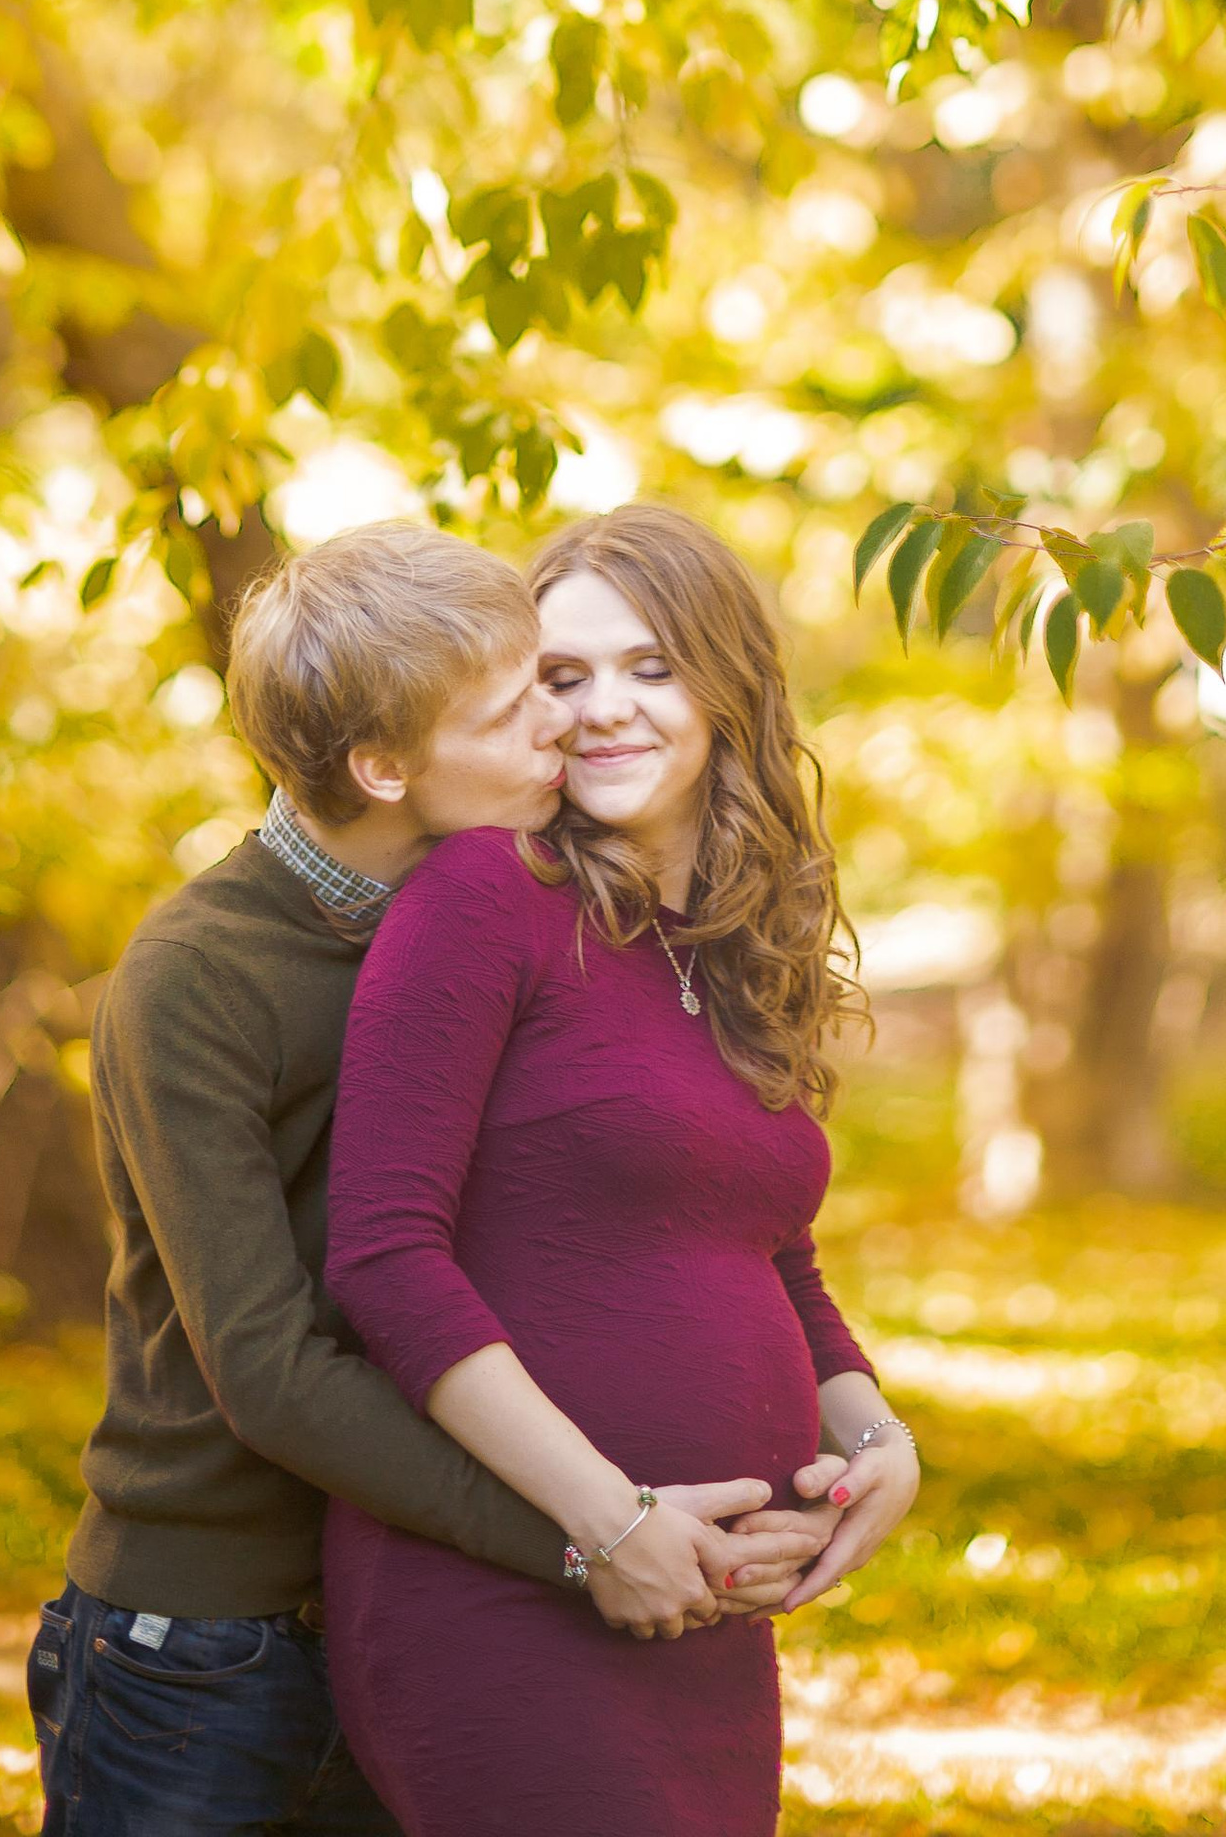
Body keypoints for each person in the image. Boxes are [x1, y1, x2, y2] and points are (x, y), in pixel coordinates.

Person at [28, 517, 828, 1837]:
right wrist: (586, 1536)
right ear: (385, 767)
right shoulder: (195, 979)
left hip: (413, 1581)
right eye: (519, 708)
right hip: (208, 1638)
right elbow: (272, 1368)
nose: (565, 725)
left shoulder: (494, 917)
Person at [320, 500, 922, 1837]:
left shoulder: (728, 947)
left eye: (650, 666)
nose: (602, 710)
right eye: (562, 675)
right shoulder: (487, 896)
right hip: (511, 1597)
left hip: (704, 1611)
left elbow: (768, 1251)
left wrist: (877, 1444)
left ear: (726, 687)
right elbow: (383, 1256)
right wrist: (610, 1523)